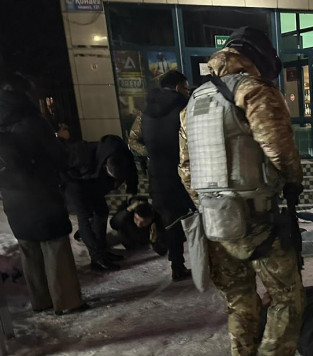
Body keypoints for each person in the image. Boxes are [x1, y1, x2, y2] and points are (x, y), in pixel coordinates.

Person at [178, 27, 305, 356]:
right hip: (258, 219)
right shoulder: (253, 91)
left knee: (240, 301)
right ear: (258, 58)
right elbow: (280, 150)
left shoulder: (195, 100)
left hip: (215, 222)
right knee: (288, 299)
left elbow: (186, 169)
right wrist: (293, 184)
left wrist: (210, 206)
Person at [0, 71, 86, 315]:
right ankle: (67, 301)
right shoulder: (32, 122)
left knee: (29, 249)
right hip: (42, 195)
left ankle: (41, 300)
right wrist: (67, 144)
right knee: (55, 246)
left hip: (13, 197)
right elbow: (59, 157)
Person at [129, 70, 194, 281]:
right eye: (185, 87)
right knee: (196, 219)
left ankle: (175, 262)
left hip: (157, 174)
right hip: (184, 172)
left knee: (169, 219)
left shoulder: (145, 112)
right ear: (178, 87)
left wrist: (152, 154)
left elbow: (132, 141)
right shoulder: (185, 108)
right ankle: (204, 263)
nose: (187, 91)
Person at [64, 134, 139, 271]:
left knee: (102, 212)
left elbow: (132, 172)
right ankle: (97, 257)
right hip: (73, 183)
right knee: (86, 217)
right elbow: (62, 167)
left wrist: (132, 191)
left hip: (92, 182)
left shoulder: (124, 156)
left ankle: (102, 251)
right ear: (105, 166)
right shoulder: (82, 154)